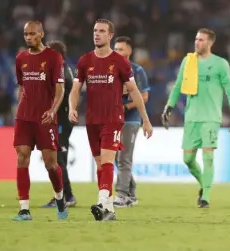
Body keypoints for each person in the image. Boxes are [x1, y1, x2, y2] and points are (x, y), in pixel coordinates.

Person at [69, 19, 153, 221]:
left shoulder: (120, 62)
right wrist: (72, 107)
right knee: (99, 164)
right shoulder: (84, 61)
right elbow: (75, 88)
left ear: (110, 35)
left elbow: (134, 91)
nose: (97, 34)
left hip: (113, 118)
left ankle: (101, 201)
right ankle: (109, 210)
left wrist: (146, 120)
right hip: (92, 120)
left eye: (102, 31)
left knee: (107, 161)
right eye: (95, 31)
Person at [161, 28, 230, 208]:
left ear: (210, 43)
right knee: (188, 160)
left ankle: (205, 196)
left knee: (208, 157)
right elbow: (177, 86)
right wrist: (169, 106)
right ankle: (203, 184)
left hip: (211, 117)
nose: (197, 42)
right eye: (196, 39)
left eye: (201, 40)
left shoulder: (220, 64)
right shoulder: (188, 61)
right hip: (191, 117)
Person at [13, 21, 67, 221]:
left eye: (32, 34)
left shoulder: (53, 57)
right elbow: (22, 87)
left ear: (41, 34)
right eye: (26, 34)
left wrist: (53, 111)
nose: (28, 37)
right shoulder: (21, 58)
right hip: (25, 117)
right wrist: (18, 112)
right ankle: (24, 209)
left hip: (45, 118)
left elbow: (59, 89)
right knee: (22, 157)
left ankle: (60, 197)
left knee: (50, 164)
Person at [113, 36, 150, 207]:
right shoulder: (111, 70)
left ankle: (121, 195)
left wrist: (126, 107)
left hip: (131, 120)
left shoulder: (137, 70)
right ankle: (131, 193)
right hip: (113, 120)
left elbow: (144, 96)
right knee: (115, 158)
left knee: (124, 158)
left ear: (129, 51)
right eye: (116, 49)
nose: (118, 52)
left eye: (121, 49)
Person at [43, 40, 77, 208]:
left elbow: (60, 97)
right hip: (61, 120)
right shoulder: (62, 70)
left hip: (62, 121)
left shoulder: (62, 72)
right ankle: (65, 195)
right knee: (56, 159)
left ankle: (66, 197)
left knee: (58, 160)